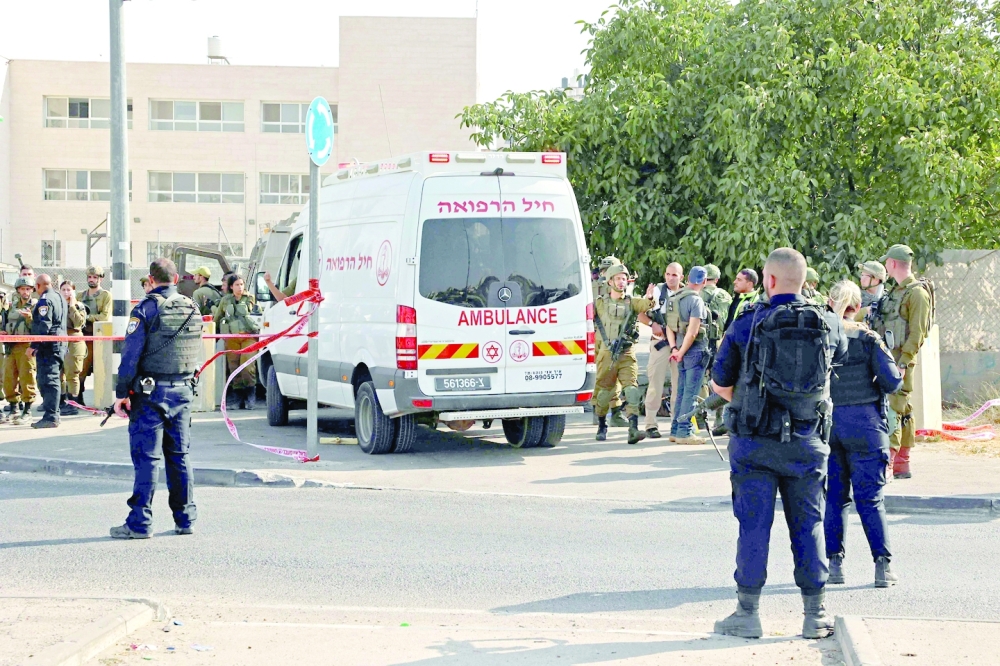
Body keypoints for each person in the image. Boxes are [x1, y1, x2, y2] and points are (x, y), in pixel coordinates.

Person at [711, 247, 847, 640]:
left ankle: (748, 614)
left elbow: (721, 384)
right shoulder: (829, 323)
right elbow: (835, 365)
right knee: (810, 525)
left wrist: (753, 397)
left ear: (768, 281)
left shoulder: (746, 323)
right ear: (804, 281)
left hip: (754, 444)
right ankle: (815, 615)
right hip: (808, 442)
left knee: (753, 526)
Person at [110, 258, 201, 539]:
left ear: (151, 279)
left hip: (151, 395)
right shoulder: (192, 307)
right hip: (183, 391)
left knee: (147, 459)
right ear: (176, 279)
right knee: (180, 457)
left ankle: (139, 523)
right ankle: (185, 520)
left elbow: (129, 356)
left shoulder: (146, 309)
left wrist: (121, 394)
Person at [824, 280, 903, 588]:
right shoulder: (869, 338)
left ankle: (834, 565)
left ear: (831, 304)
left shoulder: (822, 338)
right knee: (870, 499)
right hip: (866, 424)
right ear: (858, 307)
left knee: (835, 498)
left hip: (829, 425)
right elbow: (892, 381)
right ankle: (883, 567)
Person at [870, 244, 933, 480]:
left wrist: (904, 362)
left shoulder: (916, 293)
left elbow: (918, 333)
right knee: (903, 409)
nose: (885, 265)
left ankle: (887, 463)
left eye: (887, 262)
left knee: (893, 408)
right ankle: (902, 464)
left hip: (899, 361)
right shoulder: (895, 292)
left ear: (893, 264)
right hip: (887, 357)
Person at [593, 263, 655, 445]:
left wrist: (650, 298)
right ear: (610, 280)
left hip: (626, 353)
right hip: (607, 353)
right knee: (604, 392)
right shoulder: (600, 302)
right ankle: (602, 425)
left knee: (632, 389)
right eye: (618, 278)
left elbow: (645, 305)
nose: (622, 282)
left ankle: (633, 429)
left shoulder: (631, 302)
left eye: (624, 278)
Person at [665, 266, 710, 444]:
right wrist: (682, 351)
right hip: (694, 351)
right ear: (704, 281)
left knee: (682, 392)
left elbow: (669, 326)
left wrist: (675, 349)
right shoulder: (695, 300)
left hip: (679, 350)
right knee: (690, 394)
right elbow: (692, 332)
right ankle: (684, 432)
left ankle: (675, 430)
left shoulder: (674, 297)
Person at [641, 262, 683, 438]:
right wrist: (652, 324)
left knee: (678, 385)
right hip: (660, 343)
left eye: (674, 275)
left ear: (681, 276)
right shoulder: (657, 291)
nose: (670, 278)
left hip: (679, 346)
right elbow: (640, 313)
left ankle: (677, 422)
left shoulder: (686, 293)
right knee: (655, 384)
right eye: (667, 274)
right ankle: (651, 423)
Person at [590, 256, 628, 428]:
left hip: (597, 335)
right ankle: (615, 413)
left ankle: (597, 411)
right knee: (614, 376)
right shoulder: (614, 288)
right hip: (610, 337)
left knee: (602, 375)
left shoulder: (592, 286)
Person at [214, 274, 261, 410]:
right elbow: (218, 318)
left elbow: (258, 316)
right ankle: (238, 398)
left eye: (241, 284)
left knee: (247, 367)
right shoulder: (225, 300)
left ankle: (250, 396)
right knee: (234, 368)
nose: (240, 287)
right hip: (232, 338)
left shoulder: (250, 299)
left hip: (249, 337)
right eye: (236, 285)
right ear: (231, 287)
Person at [27, 274, 67, 429]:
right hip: (59, 344)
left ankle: (51, 416)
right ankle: (54, 413)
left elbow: (44, 326)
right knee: (53, 379)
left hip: (49, 346)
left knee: (48, 380)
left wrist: (34, 345)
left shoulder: (45, 300)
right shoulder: (59, 297)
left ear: (38, 286)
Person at [698, 264, 733, 431]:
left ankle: (701, 414)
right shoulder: (726, 295)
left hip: (701, 340)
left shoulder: (697, 293)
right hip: (720, 341)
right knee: (720, 379)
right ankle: (719, 418)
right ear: (717, 279)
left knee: (700, 379)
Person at [1, 277, 38, 425]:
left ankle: (27, 410)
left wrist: (30, 318)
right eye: (22, 289)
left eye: (28, 289)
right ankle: (13, 408)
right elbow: (6, 322)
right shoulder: (12, 305)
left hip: (26, 345)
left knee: (27, 377)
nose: (25, 292)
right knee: (8, 378)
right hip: (11, 345)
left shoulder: (35, 306)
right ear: (18, 290)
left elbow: (39, 327)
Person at [77, 266, 112, 405]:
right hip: (82, 336)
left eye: (95, 277)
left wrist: (86, 317)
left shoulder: (105, 295)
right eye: (90, 277)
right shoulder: (80, 296)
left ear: (100, 279)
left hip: (98, 336)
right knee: (80, 369)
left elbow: (104, 316)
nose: (92, 280)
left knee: (101, 370)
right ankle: (78, 398)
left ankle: (102, 401)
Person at [60, 281, 88, 417]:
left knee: (73, 373)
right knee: (59, 373)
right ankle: (60, 401)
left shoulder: (79, 306)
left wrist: (72, 307)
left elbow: (79, 323)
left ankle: (73, 403)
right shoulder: (57, 305)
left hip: (74, 338)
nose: (66, 292)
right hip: (60, 339)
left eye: (68, 290)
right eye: (63, 289)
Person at [725, 268, 760, 332]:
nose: (734, 282)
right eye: (736, 279)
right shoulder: (735, 297)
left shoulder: (757, 302)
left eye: (739, 280)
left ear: (749, 284)